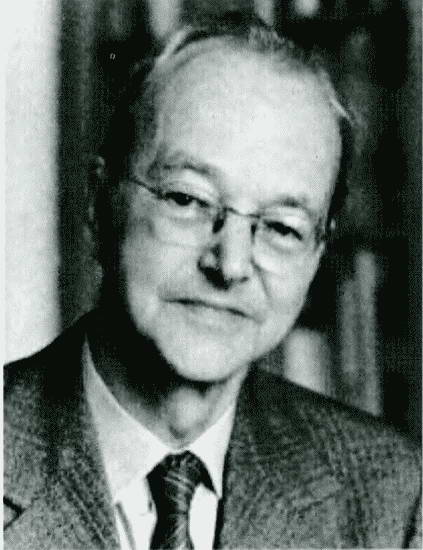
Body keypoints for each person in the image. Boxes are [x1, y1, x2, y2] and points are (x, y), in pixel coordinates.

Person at [4, 13, 421, 550]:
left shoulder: (391, 497)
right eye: (188, 200)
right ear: (99, 203)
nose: (231, 265)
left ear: (318, 253)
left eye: (282, 228)